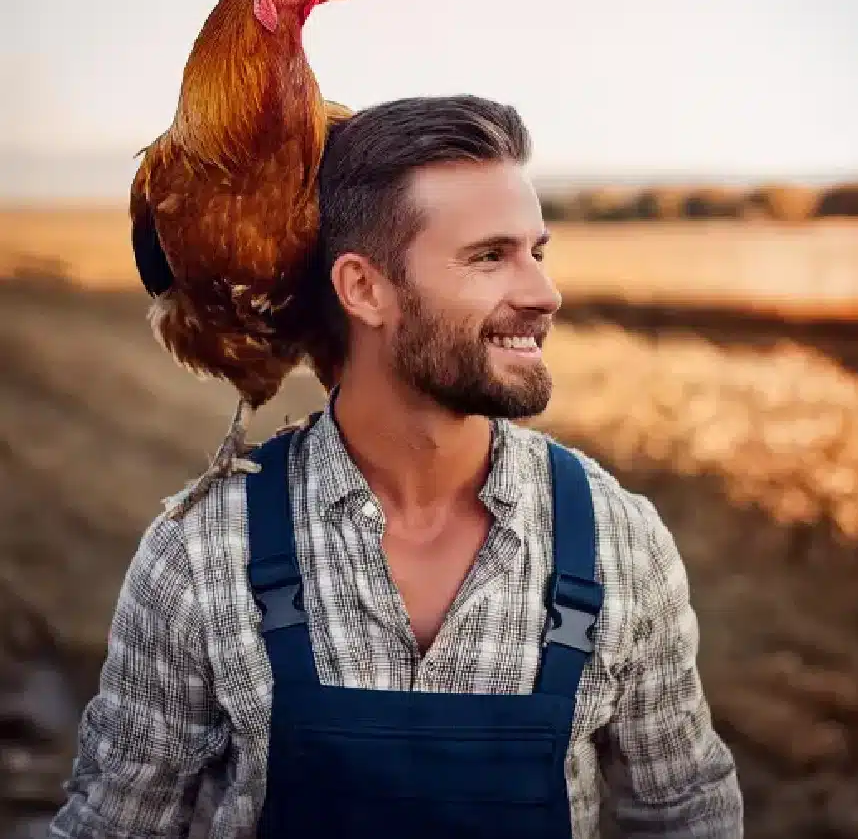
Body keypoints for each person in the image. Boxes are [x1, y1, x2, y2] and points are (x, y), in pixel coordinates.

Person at [49, 95, 743, 839]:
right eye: (489, 257)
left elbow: (686, 813)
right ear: (364, 289)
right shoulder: (200, 556)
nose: (544, 294)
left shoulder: (618, 543)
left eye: (536, 253)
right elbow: (114, 823)